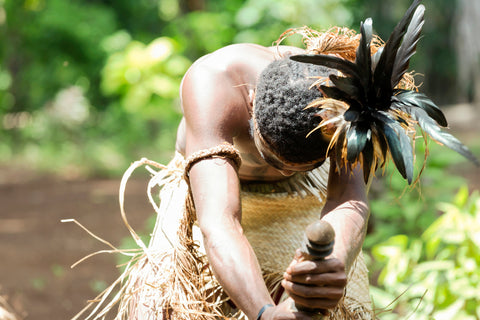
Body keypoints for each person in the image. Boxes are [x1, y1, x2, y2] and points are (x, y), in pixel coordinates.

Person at [73, 1, 477, 319]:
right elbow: (219, 221)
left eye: (295, 167)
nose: (279, 173)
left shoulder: (343, 103)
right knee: (156, 308)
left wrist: (331, 265)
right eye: (272, 159)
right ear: (250, 106)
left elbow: (348, 198)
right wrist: (266, 312)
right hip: (213, 189)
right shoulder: (213, 83)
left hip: (304, 201)